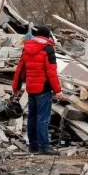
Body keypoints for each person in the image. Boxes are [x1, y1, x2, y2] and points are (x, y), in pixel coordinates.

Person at [12, 26, 63, 156]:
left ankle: (33, 146)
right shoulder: (48, 48)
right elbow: (52, 72)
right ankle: (44, 146)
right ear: (48, 36)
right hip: (44, 89)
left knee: (32, 118)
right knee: (43, 119)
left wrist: (16, 88)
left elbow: (20, 70)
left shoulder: (27, 47)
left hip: (31, 89)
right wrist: (58, 90)